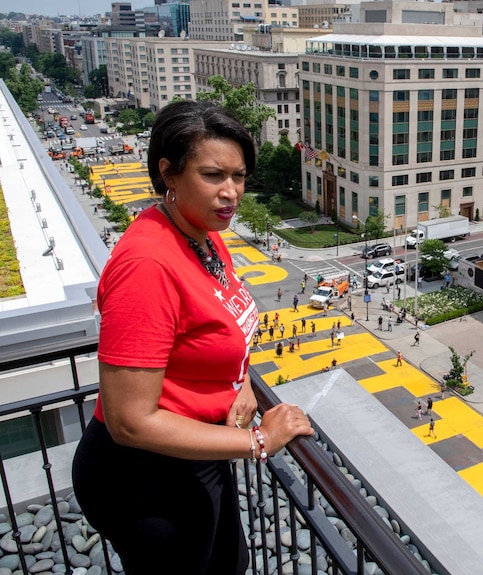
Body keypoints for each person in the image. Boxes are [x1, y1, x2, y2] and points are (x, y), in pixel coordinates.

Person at [71, 101, 314, 575]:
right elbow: (130, 421)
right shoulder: (148, 265)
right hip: (143, 476)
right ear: (169, 173)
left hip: (196, 451)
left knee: (229, 565)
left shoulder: (202, 232)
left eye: (239, 176)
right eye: (212, 175)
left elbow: (217, 325)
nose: (231, 193)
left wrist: (239, 381)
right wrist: (260, 442)